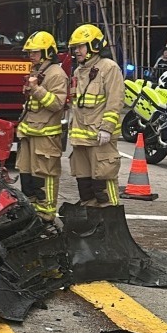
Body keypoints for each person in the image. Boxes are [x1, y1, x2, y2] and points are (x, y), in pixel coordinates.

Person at [68, 23, 124, 207]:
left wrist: (107, 128)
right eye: (75, 47)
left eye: (80, 46)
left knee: (104, 186)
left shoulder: (109, 68)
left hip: (100, 139)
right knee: (86, 188)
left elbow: (115, 101)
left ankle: (111, 220)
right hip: (81, 139)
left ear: (94, 46)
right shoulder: (78, 71)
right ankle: (91, 221)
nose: (77, 51)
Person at [17, 31, 68, 221]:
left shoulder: (56, 74)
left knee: (44, 177)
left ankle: (46, 215)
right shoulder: (36, 71)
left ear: (47, 52)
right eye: (30, 52)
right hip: (30, 134)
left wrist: (37, 89)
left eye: (35, 52)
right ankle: (31, 215)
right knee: (27, 177)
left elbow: (57, 104)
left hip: (46, 137)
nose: (31, 55)